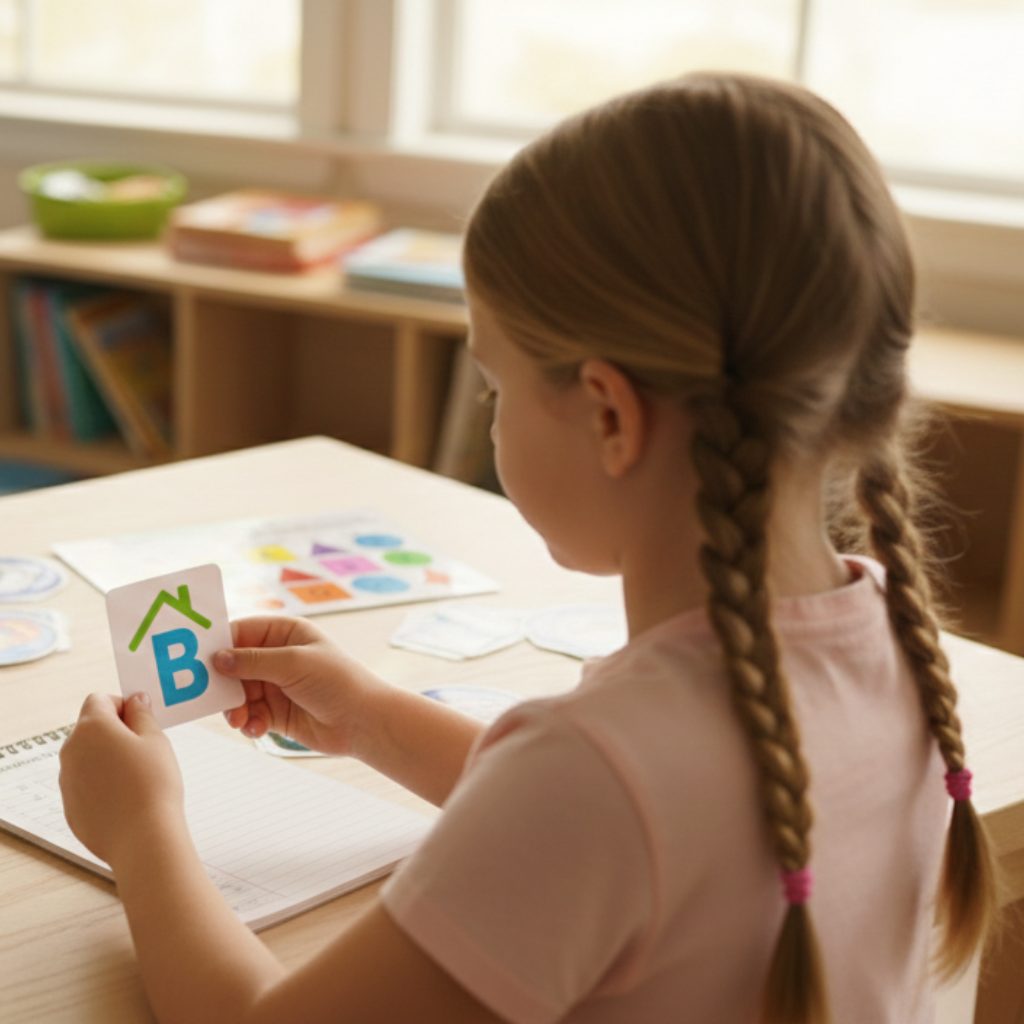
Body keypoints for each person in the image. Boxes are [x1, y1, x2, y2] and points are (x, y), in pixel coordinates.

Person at [58, 72, 998, 1024]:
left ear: (609, 415)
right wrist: (374, 720)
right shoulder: (892, 641)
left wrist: (142, 834)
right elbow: (642, 836)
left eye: (493, 387)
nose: (491, 417)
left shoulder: (591, 775)